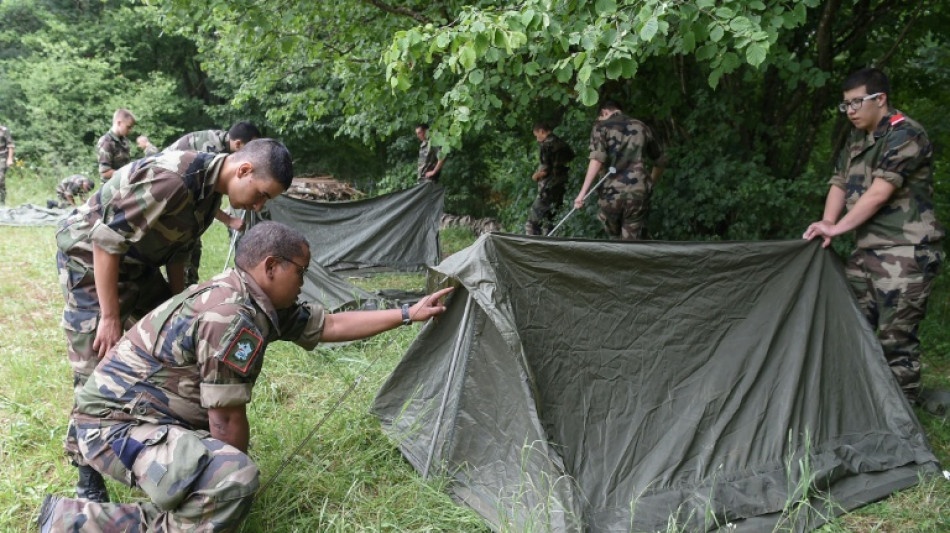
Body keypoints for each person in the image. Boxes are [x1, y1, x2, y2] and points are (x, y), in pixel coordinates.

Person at [38, 221, 453, 531]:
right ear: (271, 266)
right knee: (233, 478)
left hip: (139, 415)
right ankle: (77, 523)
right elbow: (225, 420)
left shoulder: (252, 297)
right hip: (111, 426)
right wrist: (229, 483)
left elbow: (329, 325)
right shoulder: (232, 316)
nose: (304, 282)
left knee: (223, 474)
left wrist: (407, 313)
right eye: (301, 272)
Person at [55, 139, 294, 503]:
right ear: (244, 170)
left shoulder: (210, 193)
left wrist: (178, 303)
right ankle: (87, 478)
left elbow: (179, 250)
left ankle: (175, 437)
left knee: (174, 339)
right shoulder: (173, 180)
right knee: (94, 359)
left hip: (139, 265)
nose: (259, 206)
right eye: (262, 194)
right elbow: (105, 242)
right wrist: (110, 316)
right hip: (90, 262)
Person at [803, 67, 944, 403]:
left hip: (906, 252)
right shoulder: (858, 139)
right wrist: (827, 223)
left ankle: (902, 414)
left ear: (880, 99)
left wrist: (838, 228)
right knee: (852, 327)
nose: (850, 111)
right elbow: (839, 183)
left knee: (896, 339)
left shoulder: (905, 134)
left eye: (856, 102)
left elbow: (880, 193)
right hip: (866, 252)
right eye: (846, 105)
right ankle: (861, 404)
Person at [165, 121, 262, 285]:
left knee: (192, 250)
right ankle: (180, 294)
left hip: (182, 202)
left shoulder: (225, 146)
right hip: (170, 202)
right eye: (251, 149)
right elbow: (201, 198)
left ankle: (187, 290)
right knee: (182, 259)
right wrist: (229, 220)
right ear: (238, 144)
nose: (253, 155)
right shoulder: (212, 153)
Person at [573, 100, 666, 240]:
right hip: (637, 193)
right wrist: (650, 183)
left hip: (611, 195)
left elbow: (597, 160)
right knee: (633, 242)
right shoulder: (641, 126)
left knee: (616, 242)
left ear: (604, 112)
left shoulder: (601, 127)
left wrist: (582, 194)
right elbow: (660, 161)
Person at [526, 122, 575, 235]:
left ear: (542, 131)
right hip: (561, 185)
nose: (537, 139)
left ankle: (531, 244)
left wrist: (535, 176)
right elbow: (571, 159)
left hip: (548, 186)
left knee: (532, 222)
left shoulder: (546, 146)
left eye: (537, 135)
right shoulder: (562, 144)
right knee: (551, 221)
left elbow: (545, 170)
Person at [165, 121, 261, 154]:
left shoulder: (225, 140)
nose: (254, 151)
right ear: (238, 144)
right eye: (252, 147)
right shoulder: (213, 151)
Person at [97, 109, 135, 183]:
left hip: (124, 183)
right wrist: (127, 174)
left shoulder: (124, 140)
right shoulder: (106, 142)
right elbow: (105, 172)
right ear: (119, 123)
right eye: (128, 127)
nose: (130, 130)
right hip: (111, 186)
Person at [0, 121, 14, 205]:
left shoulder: (4, 130)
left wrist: (10, 159)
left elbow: (10, 145)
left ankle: (2, 201)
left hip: (2, 156)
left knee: (0, 179)